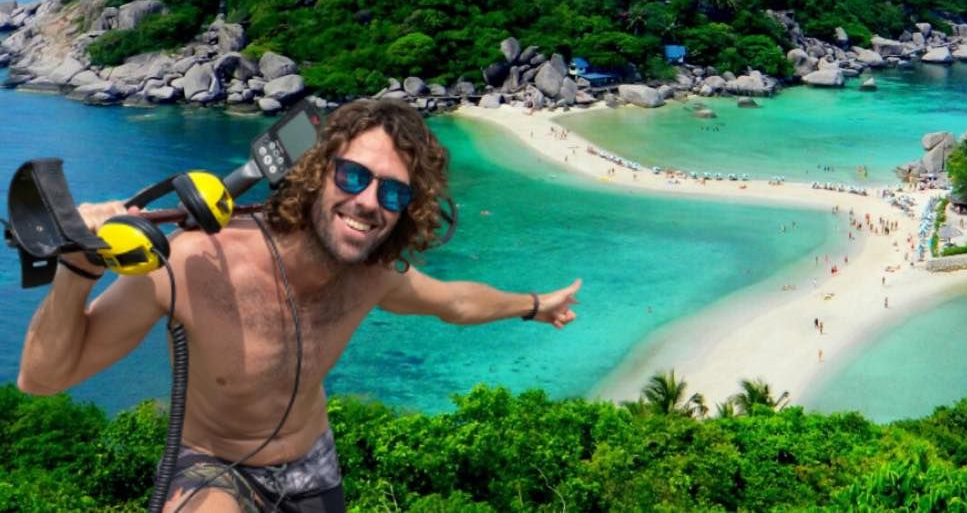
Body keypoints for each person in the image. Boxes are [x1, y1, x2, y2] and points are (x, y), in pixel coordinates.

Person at [17, 99, 581, 512]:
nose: (368, 202)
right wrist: (78, 269)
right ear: (317, 172)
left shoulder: (370, 278)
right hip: (215, 469)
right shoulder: (191, 262)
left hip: (314, 469)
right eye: (354, 176)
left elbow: (455, 301)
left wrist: (536, 305)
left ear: (407, 211)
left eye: (392, 192)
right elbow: (41, 379)